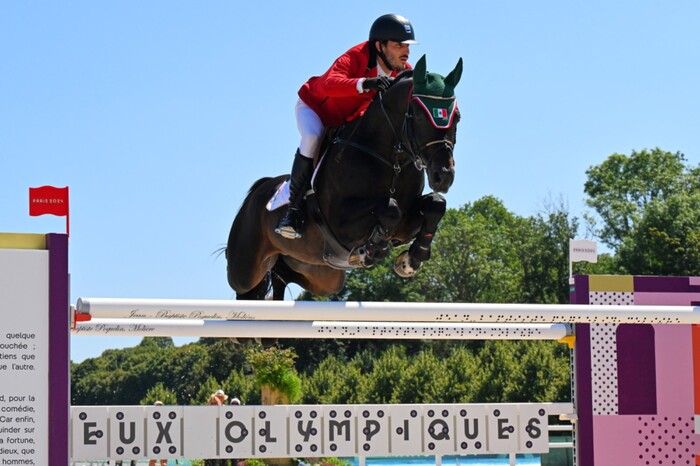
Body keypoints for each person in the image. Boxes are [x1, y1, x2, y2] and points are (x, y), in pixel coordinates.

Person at [274, 13, 417, 239]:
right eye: (399, 45)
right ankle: (293, 212)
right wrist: (365, 83)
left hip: (348, 119)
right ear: (379, 46)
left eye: (407, 45)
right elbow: (328, 83)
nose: (406, 51)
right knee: (313, 137)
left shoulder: (403, 70)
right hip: (317, 109)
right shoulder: (357, 56)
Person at [204, 390, 228, 466]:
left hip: (222, 441)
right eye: (212, 403)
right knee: (209, 463)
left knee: (223, 462)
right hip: (209, 443)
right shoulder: (205, 413)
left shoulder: (225, 411)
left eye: (215, 403)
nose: (213, 405)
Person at [148, 401, 168, 466]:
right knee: (153, 459)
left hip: (164, 439)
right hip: (154, 439)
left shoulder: (166, 416)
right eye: (156, 407)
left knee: (163, 460)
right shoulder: (150, 415)